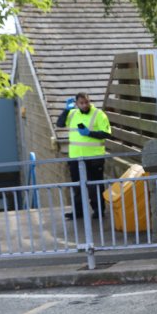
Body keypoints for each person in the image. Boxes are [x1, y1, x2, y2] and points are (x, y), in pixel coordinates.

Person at [56, 92, 113, 220]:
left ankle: (98, 211)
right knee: (77, 186)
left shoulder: (99, 114)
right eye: (81, 103)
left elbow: (107, 134)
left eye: (86, 102)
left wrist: (89, 133)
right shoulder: (72, 114)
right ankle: (78, 212)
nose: (85, 105)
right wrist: (66, 110)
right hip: (76, 158)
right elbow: (59, 124)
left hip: (94, 157)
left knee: (95, 186)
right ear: (76, 104)